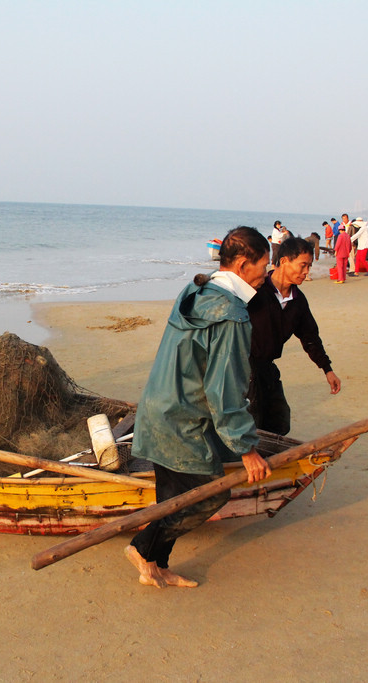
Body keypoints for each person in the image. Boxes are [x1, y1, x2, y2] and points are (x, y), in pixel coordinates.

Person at [126, 227, 272, 588]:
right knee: (210, 493)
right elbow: (225, 390)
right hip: (182, 419)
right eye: (264, 265)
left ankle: (156, 567)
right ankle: (141, 547)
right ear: (241, 264)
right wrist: (247, 449)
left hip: (158, 406)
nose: (266, 273)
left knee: (171, 498)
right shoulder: (232, 315)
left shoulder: (196, 289)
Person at [247, 238, 341, 436]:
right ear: (284, 261)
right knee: (250, 422)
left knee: (279, 421)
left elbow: (310, 337)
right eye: (303, 265)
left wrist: (327, 369)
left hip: (267, 368)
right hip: (244, 369)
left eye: (309, 266)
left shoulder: (298, 301)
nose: (306, 272)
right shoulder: (256, 290)